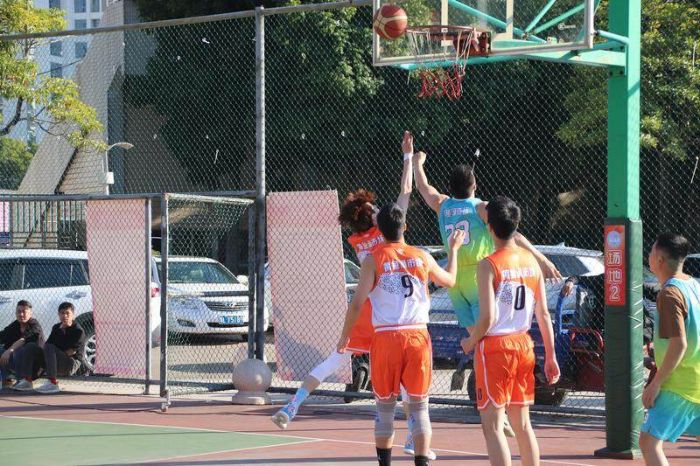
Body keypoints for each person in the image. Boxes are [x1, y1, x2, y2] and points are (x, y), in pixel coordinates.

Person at [272, 132, 436, 458]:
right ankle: (411, 436)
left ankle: (293, 405)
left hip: (367, 312)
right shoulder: (386, 234)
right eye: (374, 208)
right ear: (371, 217)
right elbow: (405, 191)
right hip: (390, 316)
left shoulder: (359, 242)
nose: (379, 208)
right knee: (410, 381)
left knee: (335, 359)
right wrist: (408, 157)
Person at [413, 153, 562, 437]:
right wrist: (541, 257)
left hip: (454, 280)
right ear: (474, 185)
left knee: (479, 343)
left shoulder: (443, 205)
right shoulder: (480, 208)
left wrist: (417, 163)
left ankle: (495, 407)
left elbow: (423, 188)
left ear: (451, 187)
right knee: (489, 337)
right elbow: (513, 234)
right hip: (478, 277)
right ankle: (500, 406)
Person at [337, 203, 463, 466]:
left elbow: (357, 303)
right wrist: (453, 250)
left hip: (386, 338)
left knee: (385, 409)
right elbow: (450, 280)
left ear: (380, 231)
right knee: (419, 407)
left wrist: (345, 336)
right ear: (405, 226)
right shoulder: (422, 256)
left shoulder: (373, 260)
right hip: (417, 336)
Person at [461, 196, 560, 466]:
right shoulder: (531, 262)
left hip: (495, 348)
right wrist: (551, 355)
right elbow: (543, 314)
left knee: (493, 427)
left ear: (489, 227)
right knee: (523, 425)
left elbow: (488, 317)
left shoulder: (488, 265)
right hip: (524, 345)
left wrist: (471, 340)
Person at [640, 233, 700, 466]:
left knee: (648, 442)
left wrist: (656, 383)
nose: (648, 256)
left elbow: (679, 343)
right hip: (695, 380)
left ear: (660, 259)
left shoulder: (669, 294)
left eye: (651, 251)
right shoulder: (694, 285)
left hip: (679, 385)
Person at [34, 302, 87, 394]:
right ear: (58, 314)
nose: (65, 316)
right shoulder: (56, 327)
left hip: (71, 363)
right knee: (35, 348)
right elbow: (48, 344)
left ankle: (52, 383)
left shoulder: (78, 331)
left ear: (73, 315)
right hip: (58, 359)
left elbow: (71, 352)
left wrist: (53, 354)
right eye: (62, 313)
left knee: (49, 348)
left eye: (67, 313)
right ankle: (27, 379)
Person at [0, 300, 45, 390]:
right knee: (1, 351)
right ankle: (7, 380)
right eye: (19, 311)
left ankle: (24, 381)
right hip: (18, 362)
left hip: (35, 367)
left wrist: (9, 350)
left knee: (19, 349)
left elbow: (23, 340)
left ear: (30, 313)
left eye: (24, 311)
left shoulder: (34, 325)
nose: (21, 314)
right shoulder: (15, 325)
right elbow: (2, 336)